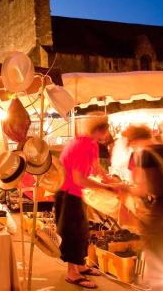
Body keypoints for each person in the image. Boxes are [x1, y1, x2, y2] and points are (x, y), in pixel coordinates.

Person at [55, 114, 122, 289]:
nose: (109, 135)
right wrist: (105, 188)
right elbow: (79, 180)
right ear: (102, 130)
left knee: (83, 231)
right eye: (107, 130)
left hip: (76, 193)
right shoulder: (81, 146)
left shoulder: (91, 142)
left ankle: (81, 266)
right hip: (68, 193)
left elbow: (96, 165)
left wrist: (107, 179)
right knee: (73, 233)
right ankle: (72, 272)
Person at [121, 125, 163, 291]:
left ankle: (157, 286)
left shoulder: (146, 154)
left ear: (135, 140)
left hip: (161, 207)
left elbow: (143, 189)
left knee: (154, 245)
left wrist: (124, 188)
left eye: (131, 144)